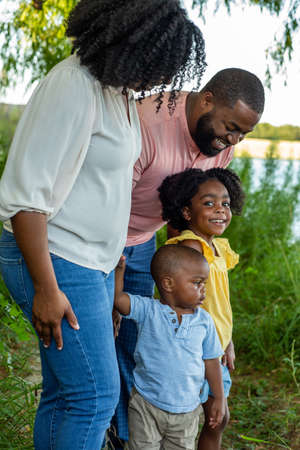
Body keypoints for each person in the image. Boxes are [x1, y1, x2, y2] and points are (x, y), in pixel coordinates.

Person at [0, 1, 207, 449]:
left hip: (90, 262)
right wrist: (46, 289)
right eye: (156, 65)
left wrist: (112, 270)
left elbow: (108, 190)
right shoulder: (73, 85)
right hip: (54, 254)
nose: (159, 80)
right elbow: (24, 201)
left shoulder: (118, 96)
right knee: (94, 395)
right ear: (131, 41)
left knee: (67, 392)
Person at [114, 68, 265, 445]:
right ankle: (121, 430)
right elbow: (110, 199)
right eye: (231, 127)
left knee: (137, 342)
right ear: (208, 99)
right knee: (110, 334)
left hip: (146, 240)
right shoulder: (148, 121)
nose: (233, 140)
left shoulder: (221, 147)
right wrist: (114, 264)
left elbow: (188, 212)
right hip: (106, 238)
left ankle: (133, 429)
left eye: (243, 134)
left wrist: (220, 336)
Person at [158, 167, 245, 450]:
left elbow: (218, 302)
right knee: (202, 420)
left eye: (225, 203)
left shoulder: (216, 247)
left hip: (215, 349)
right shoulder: (190, 248)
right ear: (186, 212)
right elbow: (178, 302)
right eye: (209, 203)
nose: (220, 210)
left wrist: (226, 340)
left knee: (216, 419)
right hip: (195, 353)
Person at [114, 245, 225, 450]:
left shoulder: (204, 321)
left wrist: (218, 398)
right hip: (146, 404)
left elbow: (211, 361)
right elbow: (119, 300)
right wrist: (119, 272)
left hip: (187, 411)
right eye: (197, 283)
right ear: (168, 283)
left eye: (204, 283)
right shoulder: (149, 310)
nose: (204, 290)